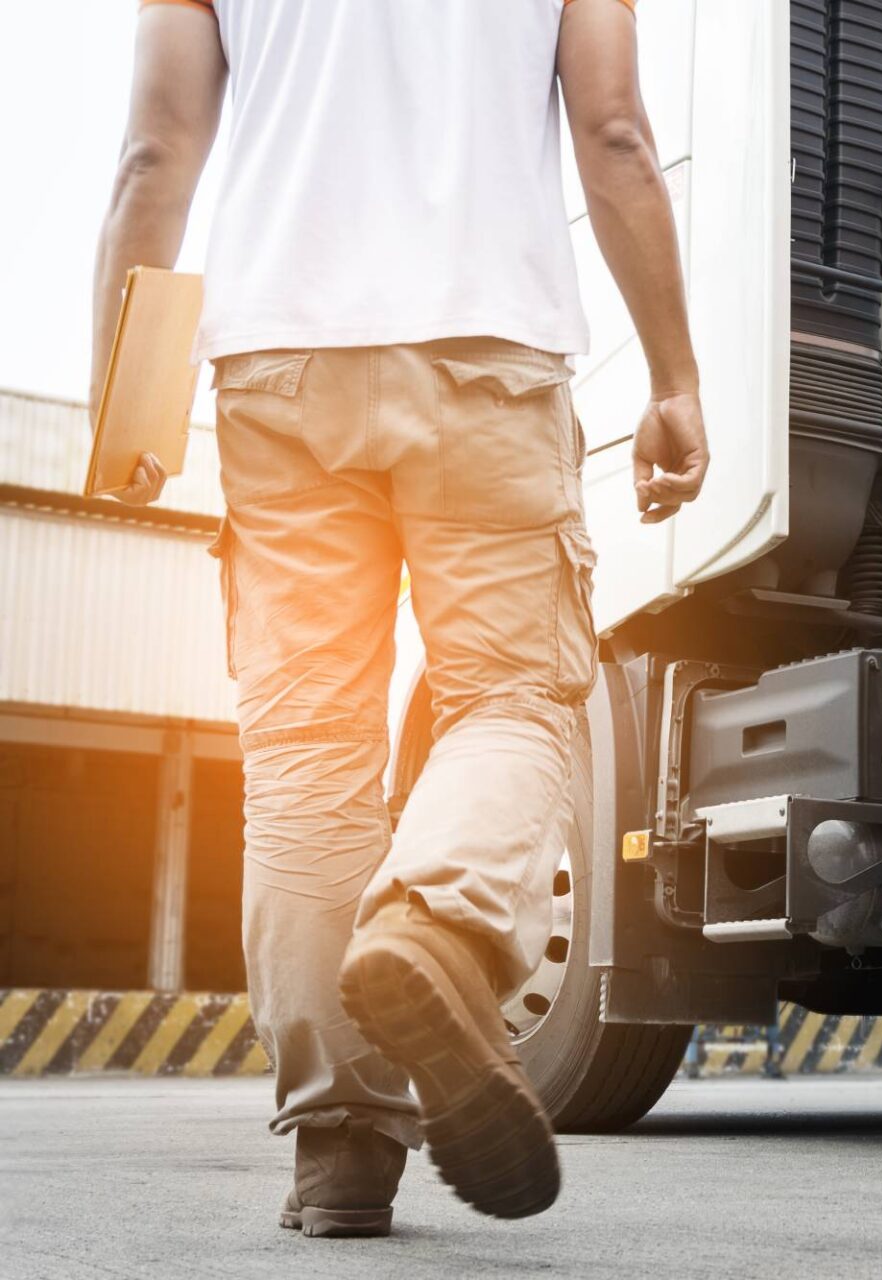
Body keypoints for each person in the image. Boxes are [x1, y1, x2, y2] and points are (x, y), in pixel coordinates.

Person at [90, 0, 710, 1236]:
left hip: (277, 372)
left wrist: (126, 394)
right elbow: (617, 133)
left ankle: (340, 1148)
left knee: (307, 758)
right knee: (514, 696)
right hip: (487, 357)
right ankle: (440, 920)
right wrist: (676, 379)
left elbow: (155, 154)